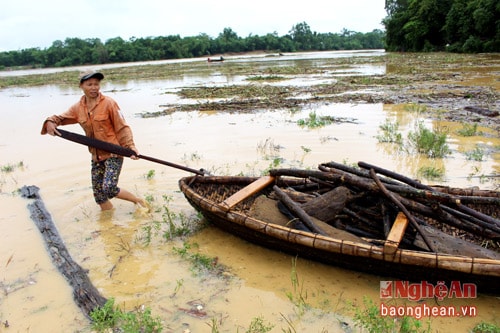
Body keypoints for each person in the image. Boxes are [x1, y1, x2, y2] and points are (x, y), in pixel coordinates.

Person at [41, 69, 146, 211]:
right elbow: (60, 118)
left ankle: (138, 201)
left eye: (96, 84)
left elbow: (122, 127)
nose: (94, 88)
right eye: (89, 84)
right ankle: (108, 222)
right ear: (81, 86)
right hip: (96, 155)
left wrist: (130, 147)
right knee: (99, 196)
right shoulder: (78, 108)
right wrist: (50, 122)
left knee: (109, 188)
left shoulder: (109, 103)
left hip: (113, 153)